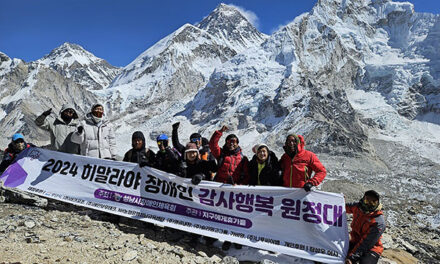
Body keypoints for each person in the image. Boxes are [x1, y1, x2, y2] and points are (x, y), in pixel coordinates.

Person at [209, 125, 249, 250]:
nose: (231, 144)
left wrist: (240, 186)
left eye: (234, 142)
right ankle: (213, 236)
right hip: (220, 189)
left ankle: (231, 239)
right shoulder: (221, 154)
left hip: (234, 191)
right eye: (229, 142)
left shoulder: (243, 158)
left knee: (234, 217)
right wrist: (219, 132)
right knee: (218, 214)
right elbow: (212, 144)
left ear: (237, 144)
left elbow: (247, 176)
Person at [345, 190, 385, 264]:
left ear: (377, 203)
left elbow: (367, 243)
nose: (369, 204)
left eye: (373, 202)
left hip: (372, 248)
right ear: (363, 199)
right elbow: (343, 207)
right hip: (355, 241)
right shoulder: (357, 207)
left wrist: (352, 257)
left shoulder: (378, 222)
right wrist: (339, 200)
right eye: (367, 201)